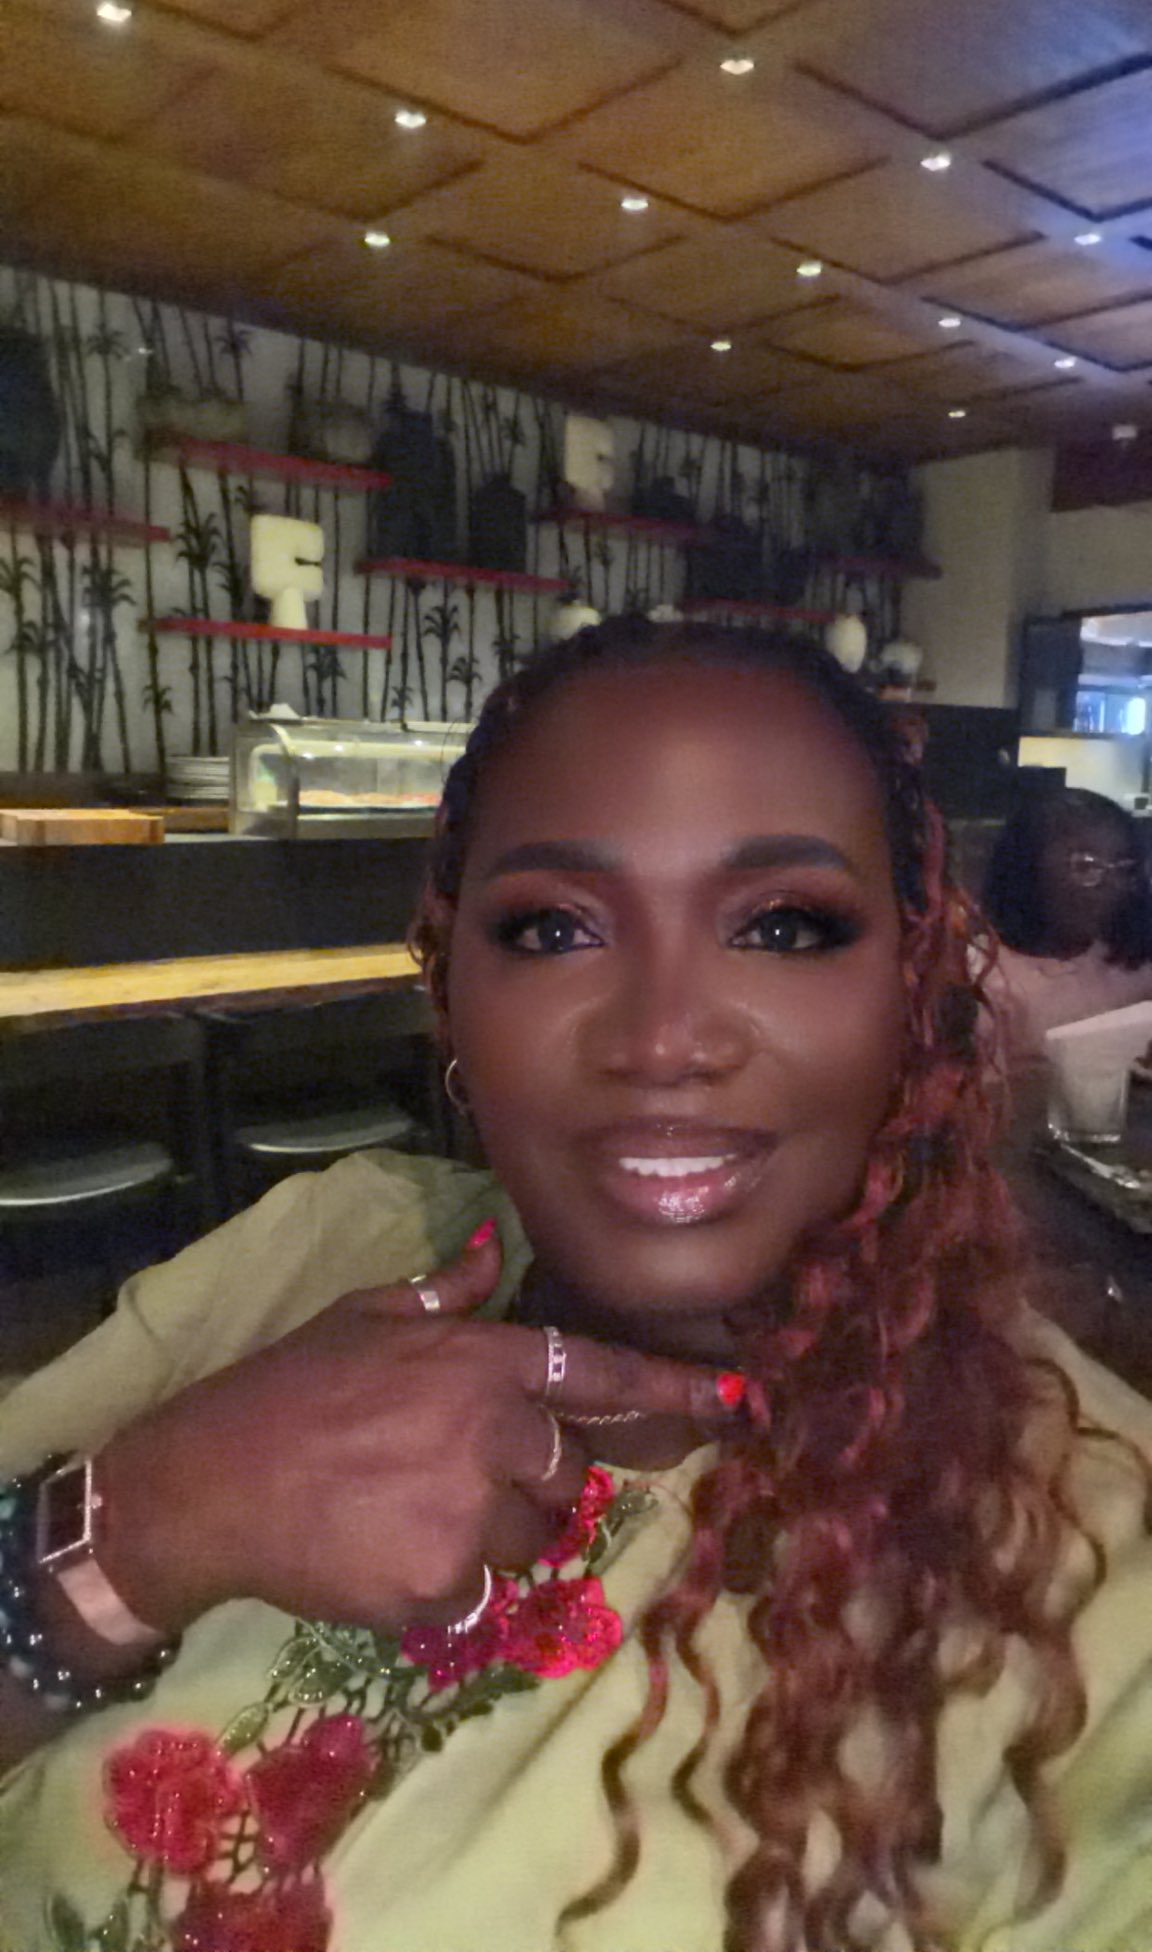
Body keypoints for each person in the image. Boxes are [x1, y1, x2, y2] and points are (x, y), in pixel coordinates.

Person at [1, 617, 1150, 1952]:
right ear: (450, 986)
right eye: (554, 928)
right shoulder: (325, 1242)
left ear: (912, 985)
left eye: (783, 925)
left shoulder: (1103, 1577)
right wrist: (142, 1529)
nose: (663, 1039)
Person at [982, 786, 1152, 1086]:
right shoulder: (989, 981)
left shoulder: (1132, 959)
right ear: (1026, 870)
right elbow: (984, 1103)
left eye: (1125, 869)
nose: (1113, 885)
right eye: (1086, 866)